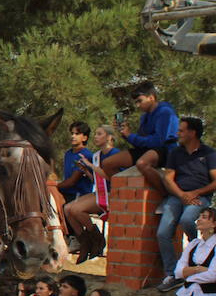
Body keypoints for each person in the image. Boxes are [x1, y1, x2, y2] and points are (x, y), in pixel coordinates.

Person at [153, 118, 216, 292]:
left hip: (200, 198)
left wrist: (195, 193)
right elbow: (168, 178)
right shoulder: (176, 153)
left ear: (192, 133)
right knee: (163, 232)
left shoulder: (208, 153)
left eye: (182, 131)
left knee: (187, 220)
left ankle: (196, 254)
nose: (178, 134)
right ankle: (171, 274)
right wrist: (182, 195)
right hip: (178, 197)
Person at [98, 81, 179, 189]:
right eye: (136, 102)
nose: (138, 105)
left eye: (140, 101)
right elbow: (140, 143)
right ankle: (124, 192)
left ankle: (164, 192)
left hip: (165, 150)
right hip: (148, 150)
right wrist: (125, 134)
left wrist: (131, 136)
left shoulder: (165, 112)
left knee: (142, 163)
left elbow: (159, 141)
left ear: (151, 97)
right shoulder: (144, 117)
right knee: (108, 163)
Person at [63, 123, 118, 261]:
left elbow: (112, 178)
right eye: (96, 134)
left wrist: (90, 165)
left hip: (112, 194)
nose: (96, 137)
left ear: (109, 138)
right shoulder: (97, 155)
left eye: (100, 134)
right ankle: (84, 242)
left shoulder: (115, 154)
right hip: (100, 192)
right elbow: (96, 180)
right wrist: (87, 170)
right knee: (68, 208)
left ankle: (97, 239)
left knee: (76, 210)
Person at [56, 121, 95, 204]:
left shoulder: (86, 155)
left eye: (77, 134)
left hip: (79, 196)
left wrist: (53, 186)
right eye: (72, 133)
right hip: (65, 193)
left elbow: (72, 182)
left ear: (85, 138)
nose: (73, 136)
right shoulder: (68, 153)